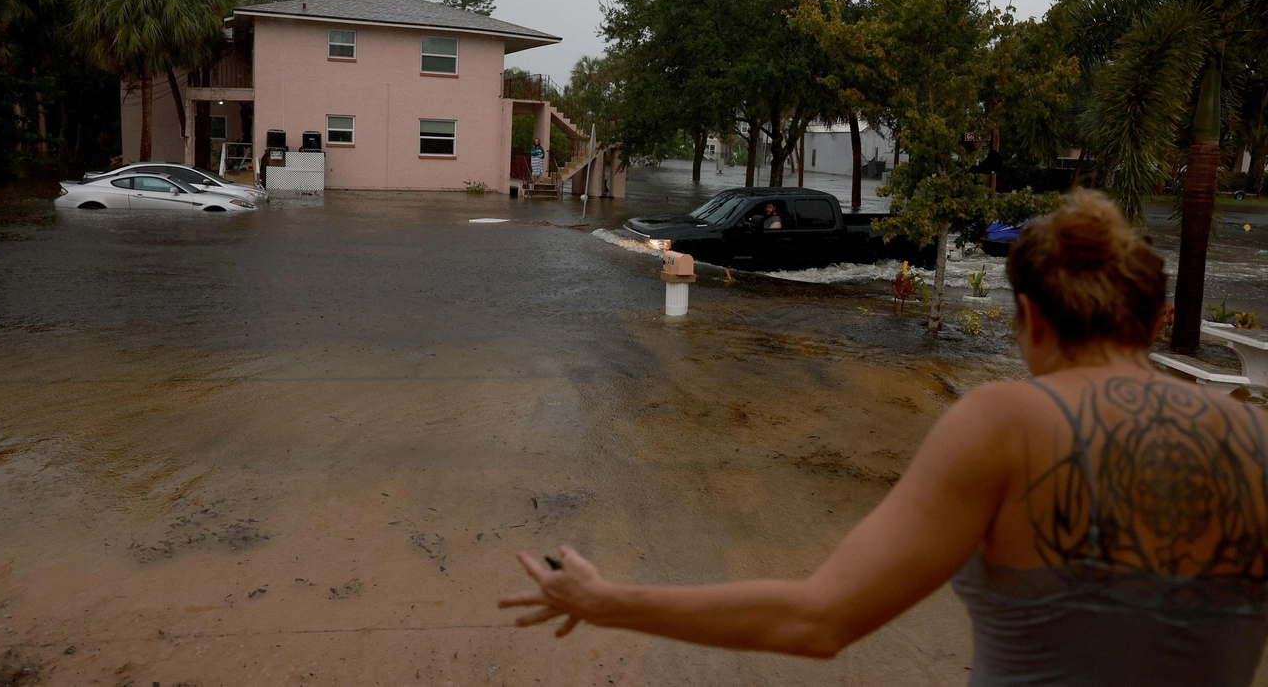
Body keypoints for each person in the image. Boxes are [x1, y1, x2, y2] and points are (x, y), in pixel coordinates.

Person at [500, 191, 1268, 686]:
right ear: (1160, 323)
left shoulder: (1005, 424)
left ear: (1029, 318)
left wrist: (608, 600)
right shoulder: (1258, 438)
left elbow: (818, 619)